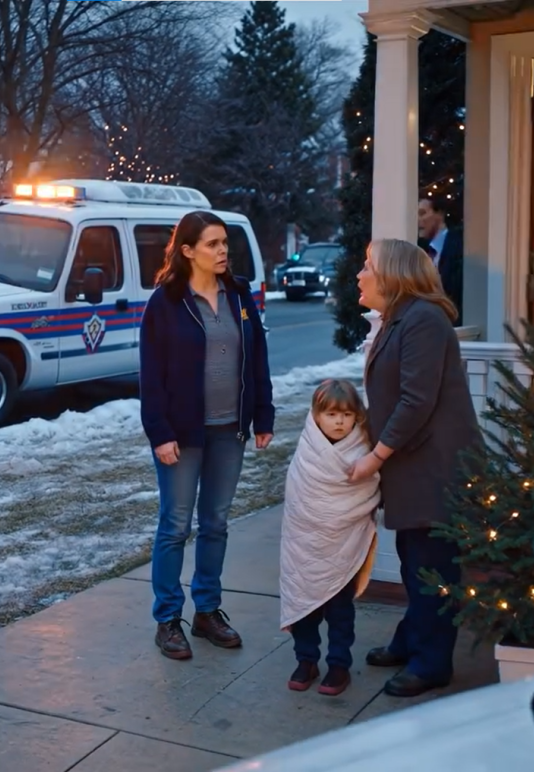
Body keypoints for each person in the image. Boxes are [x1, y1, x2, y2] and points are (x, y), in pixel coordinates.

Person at [139, 210, 275, 661]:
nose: (222, 252)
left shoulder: (238, 295)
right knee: (175, 526)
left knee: (215, 523)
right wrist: (159, 431)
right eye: (213, 244)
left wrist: (263, 415)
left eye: (224, 244)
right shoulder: (165, 302)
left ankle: (208, 611)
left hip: (228, 429)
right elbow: (151, 376)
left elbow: (258, 357)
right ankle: (167, 620)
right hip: (181, 433)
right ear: (188, 251)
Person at [350, 238, 482, 698]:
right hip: (415, 465)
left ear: (392, 275)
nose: (360, 275)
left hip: (435, 465)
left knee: (432, 567)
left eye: (368, 267)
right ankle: (413, 640)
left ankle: (432, 663)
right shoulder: (397, 319)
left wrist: (375, 456)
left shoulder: (423, 319)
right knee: (415, 559)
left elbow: (415, 400)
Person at [280, 379, 380, 696]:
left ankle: (339, 664)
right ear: (316, 416)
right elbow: (298, 497)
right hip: (304, 542)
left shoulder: (364, 452)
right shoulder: (307, 452)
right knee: (305, 605)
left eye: (347, 415)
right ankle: (306, 659)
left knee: (340, 609)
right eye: (332, 414)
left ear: (357, 417)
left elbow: (367, 490)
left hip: (344, 545)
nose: (339, 422)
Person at [417, 196, 463, 325]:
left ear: (440, 214)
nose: (417, 220)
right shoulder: (421, 250)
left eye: (422, 213)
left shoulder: (459, 247)